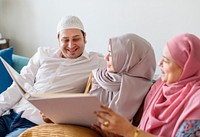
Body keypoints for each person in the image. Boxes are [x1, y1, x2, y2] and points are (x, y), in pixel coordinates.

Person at [0, 15, 105, 137]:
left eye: (76, 39)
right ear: (58, 39)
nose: (71, 45)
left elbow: (123, 63)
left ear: (84, 37)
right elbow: (18, 85)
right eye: (65, 40)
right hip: (11, 114)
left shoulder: (96, 62)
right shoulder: (43, 54)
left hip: (35, 124)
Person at [94, 33, 200, 137]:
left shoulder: (196, 101)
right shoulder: (159, 88)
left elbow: (135, 132)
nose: (159, 63)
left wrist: (130, 132)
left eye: (166, 61)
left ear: (188, 66)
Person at [90, 33, 156, 121]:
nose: (106, 58)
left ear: (129, 59)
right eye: (108, 52)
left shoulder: (147, 91)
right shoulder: (101, 76)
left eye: (111, 54)